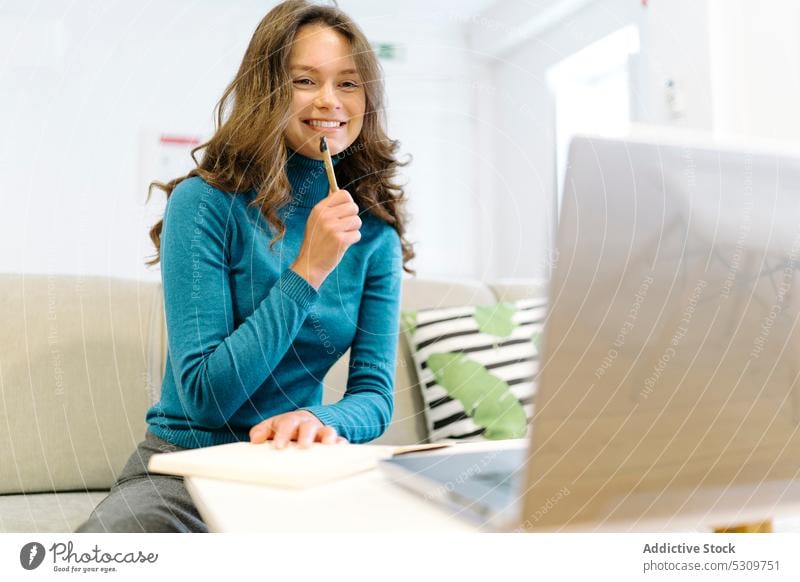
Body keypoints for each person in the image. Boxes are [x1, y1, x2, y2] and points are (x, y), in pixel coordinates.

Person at [76, 0, 413, 533]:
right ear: (269, 90)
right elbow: (209, 398)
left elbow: (374, 395)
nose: (330, 100)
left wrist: (317, 420)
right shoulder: (204, 203)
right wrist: (308, 270)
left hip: (295, 466)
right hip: (185, 469)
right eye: (305, 80)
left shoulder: (375, 232)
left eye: (348, 84)